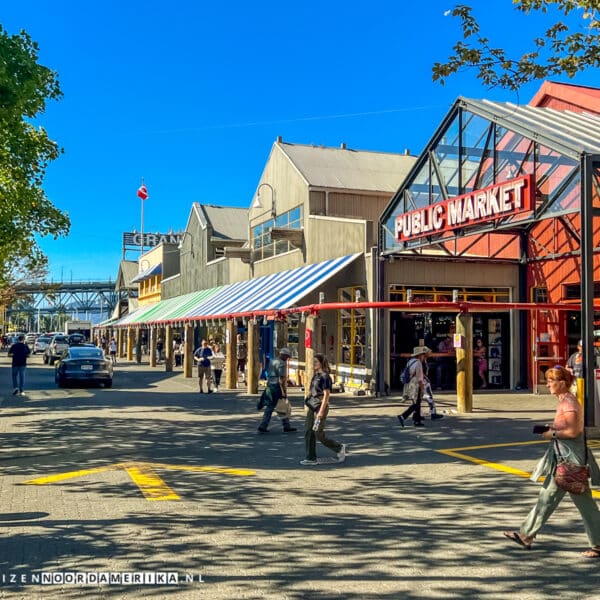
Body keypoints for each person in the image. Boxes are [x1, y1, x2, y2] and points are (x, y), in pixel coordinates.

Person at [503, 365, 600, 557]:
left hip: (570, 460)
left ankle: (598, 543)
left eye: (551, 381)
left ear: (562, 383)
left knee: (582, 503)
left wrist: (552, 433)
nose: (547, 384)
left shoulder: (569, 403)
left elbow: (573, 432)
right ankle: (526, 535)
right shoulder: (565, 400)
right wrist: (550, 429)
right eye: (547, 380)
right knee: (547, 498)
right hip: (563, 458)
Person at [301, 353, 346, 466]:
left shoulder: (325, 377)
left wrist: (321, 410)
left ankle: (339, 447)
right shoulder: (315, 375)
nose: (314, 364)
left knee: (318, 433)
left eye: (316, 362)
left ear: (321, 363)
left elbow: (326, 395)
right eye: (313, 362)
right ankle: (310, 457)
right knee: (308, 431)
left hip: (320, 406)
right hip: (312, 406)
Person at [257, 347, 296, 433]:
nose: (287, 358)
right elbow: (281, 379)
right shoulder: (282, 364)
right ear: (283, 355)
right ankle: (286, 426)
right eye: (287, 356)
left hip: (270, 385)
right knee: (282, 405)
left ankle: (263, 425)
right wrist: (284, 392)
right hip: (277, 387)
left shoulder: (272, 361)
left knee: (270, 407)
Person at [397, 346, 431, 427]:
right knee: (416, 403)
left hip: (410, 384)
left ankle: (417, 420)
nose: (423, 356)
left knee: (416, 402)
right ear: (419, 355)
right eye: (423, 355)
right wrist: (422, 388)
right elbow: (420, 378)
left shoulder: (410, 361)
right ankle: (403, 416)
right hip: (416, 384)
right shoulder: (418, 363)